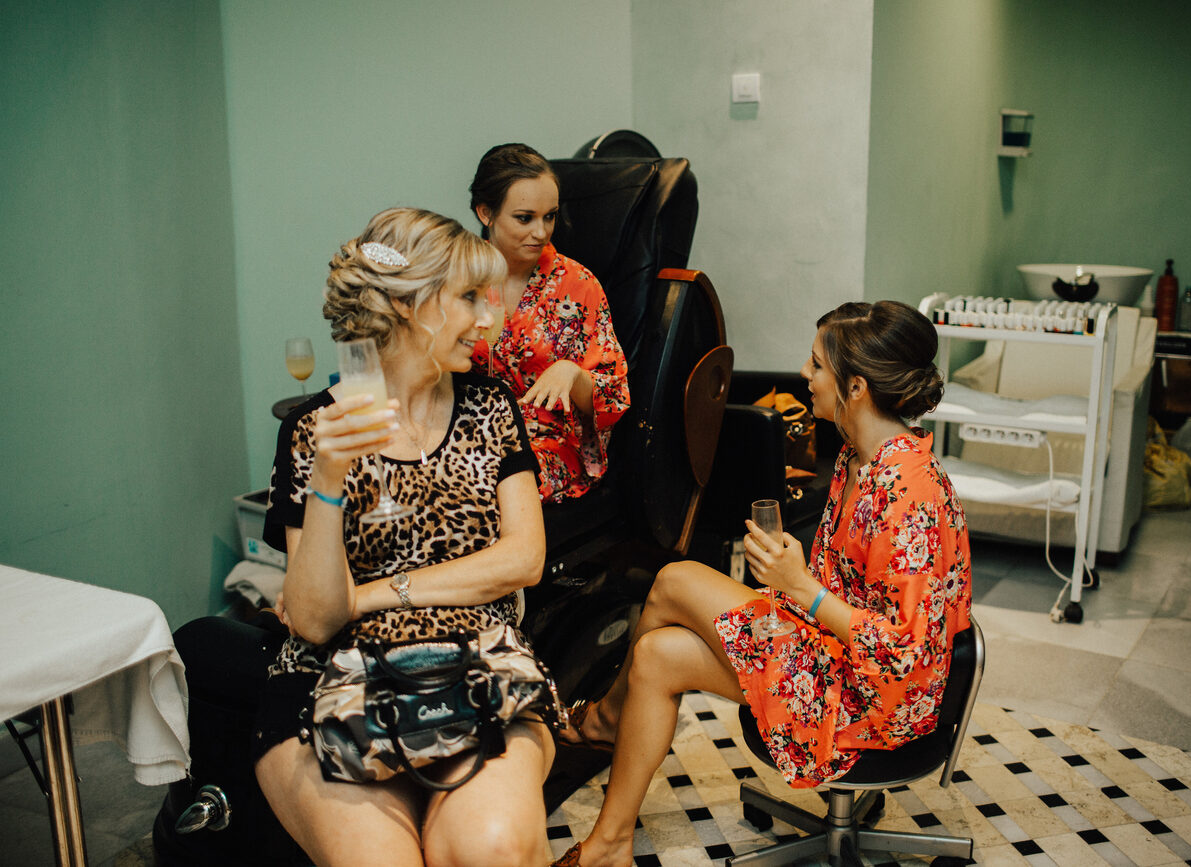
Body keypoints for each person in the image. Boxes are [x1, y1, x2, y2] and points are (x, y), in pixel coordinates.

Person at [551, 301, 974, 867]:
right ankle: (611, 845)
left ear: (855, 388)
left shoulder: (909, 495)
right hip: (836, 654)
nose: (804, 372)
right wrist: (796, 578)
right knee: (656, 655)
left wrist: (802, 588)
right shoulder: (861, 459)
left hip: (873, 699)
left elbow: (906, 649)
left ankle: (605, 718)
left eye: (818, 365)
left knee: (675, 580)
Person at [254, 207, 555, 867]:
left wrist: (373, 595)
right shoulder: (315, 431)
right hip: (334, 677)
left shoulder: (488, 407)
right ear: (407, 305)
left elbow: (524, 557)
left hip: (478, 660)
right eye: (469, 298)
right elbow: (311, 618)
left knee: (493, 847)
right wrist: (328, 479)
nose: (488, 317)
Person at [468, 142, 630, 503]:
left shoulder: (578, 285)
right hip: (469, 437)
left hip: (548, 446)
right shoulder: (458, 280)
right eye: (525, 218)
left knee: (485, 486)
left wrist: (573, 375)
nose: (541, 232)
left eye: (550, 216)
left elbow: (615, 398)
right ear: (485, 212)